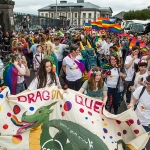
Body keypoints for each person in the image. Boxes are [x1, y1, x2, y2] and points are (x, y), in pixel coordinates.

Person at [128, 75, 150, 149]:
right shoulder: (141, 89)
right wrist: (131, 105)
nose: (147, 86)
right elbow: (134, 100)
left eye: (149, 84)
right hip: (136, 120)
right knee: (132, 139)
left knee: (141, 143)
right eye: (146, 83)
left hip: (147, 124)